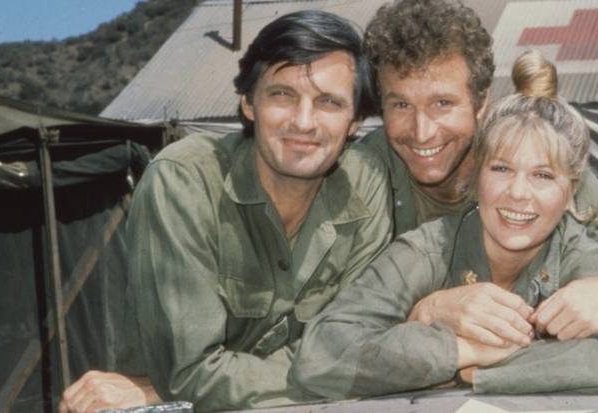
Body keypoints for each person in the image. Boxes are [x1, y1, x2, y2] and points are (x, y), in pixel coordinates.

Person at [59, 10, 392, 413]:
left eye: (329, 102)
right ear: (248, 103)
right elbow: (191, 375)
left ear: (355, 121)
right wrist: (344, 373)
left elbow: (362, 345)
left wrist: (168, 385)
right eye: (282, 95)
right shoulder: (185, 180)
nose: (304, 122)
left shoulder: (367, 187)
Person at [360, 0, 598, 376]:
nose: (422, 131)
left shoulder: (549, 175)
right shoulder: (363, 176)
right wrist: (426, 312)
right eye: (400, 105)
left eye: (443, 103)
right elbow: (338, 329)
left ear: (481, 105)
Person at [292, 50, 598, 397]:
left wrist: (477, 374)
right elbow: (321, 353)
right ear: (478, 175)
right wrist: (460, 352)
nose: (517, 193)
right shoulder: (428, 248)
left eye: (542, 175)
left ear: (570, 191)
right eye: (501, 169)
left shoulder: (578, 250)